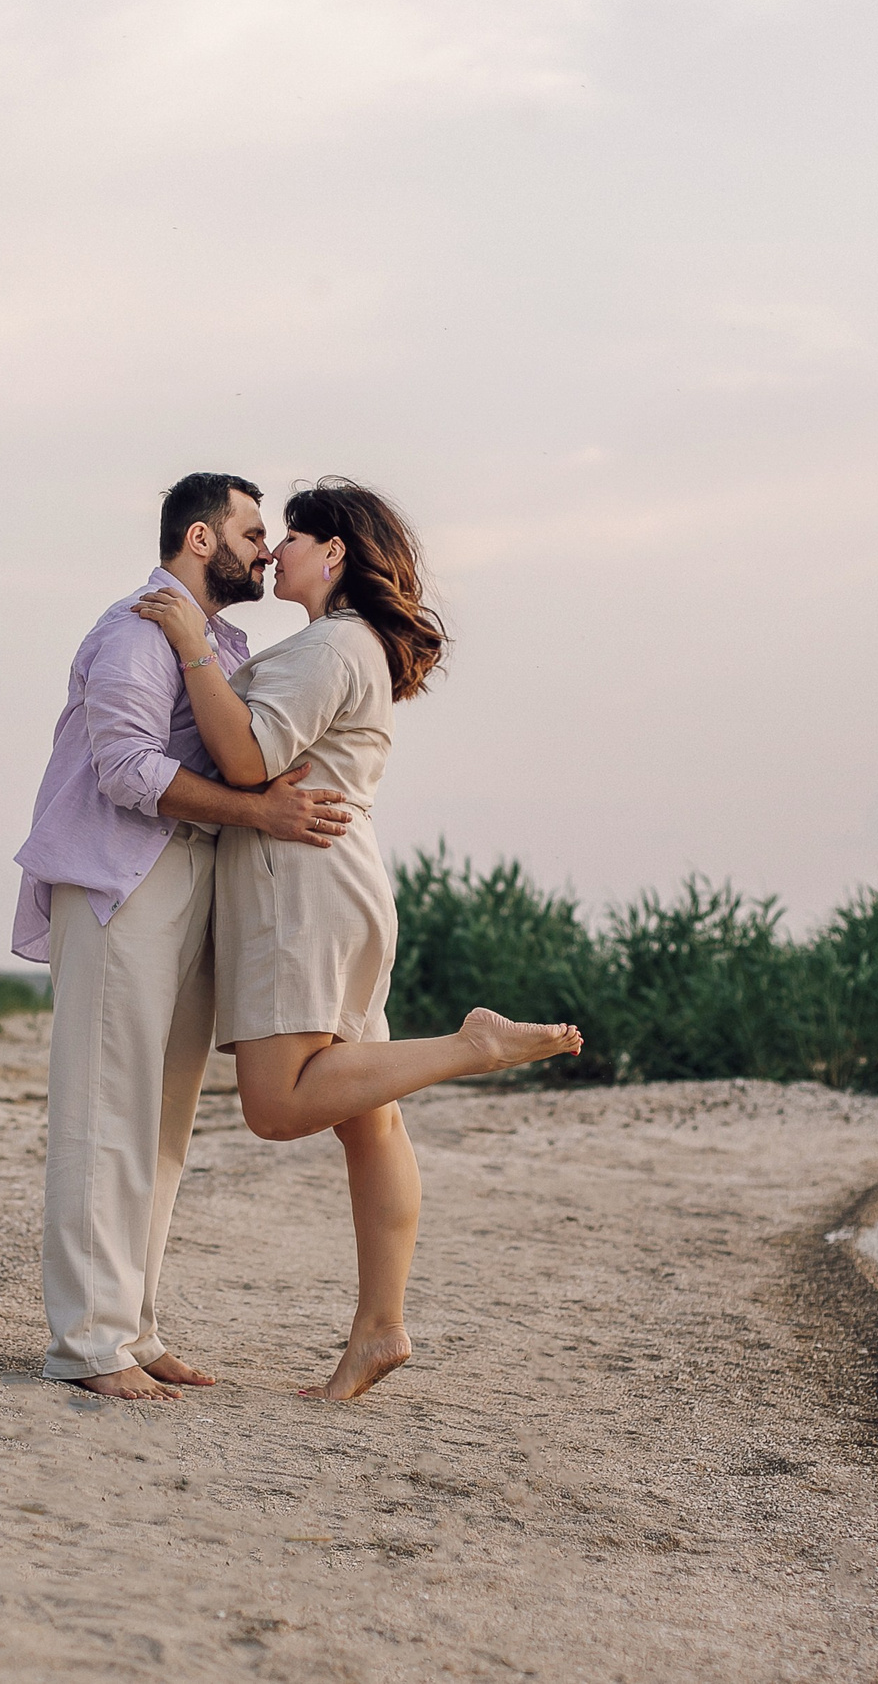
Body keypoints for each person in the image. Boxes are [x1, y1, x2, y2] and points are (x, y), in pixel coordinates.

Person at [132, 478, 582, 1400]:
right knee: (368, 1121)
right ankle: (379, 1330)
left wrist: (189, 647)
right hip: (344, 886)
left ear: (334, 553)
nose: (274, 551)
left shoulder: (330, 644)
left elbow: (249, 760)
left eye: (291, 536)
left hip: (298, 891)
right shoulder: (354, 645)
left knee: (276, 1105)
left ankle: (471, 1046)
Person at [13, 473, 358, 1401]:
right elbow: (126, 769)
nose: (264, 548)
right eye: (252, 533)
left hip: (191, 876)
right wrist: (264, 813)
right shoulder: (133, 629)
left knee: (163, 1122)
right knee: (104, 1108)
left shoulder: (220, 642)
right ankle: (85, 1342)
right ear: (200, 539)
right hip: (122, 880)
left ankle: (135, 1325)